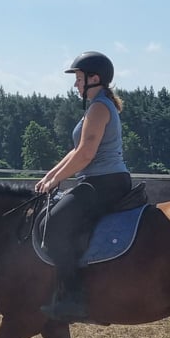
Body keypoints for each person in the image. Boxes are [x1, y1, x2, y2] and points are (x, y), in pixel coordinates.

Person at [35, 51, 132, 321]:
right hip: (99, 181)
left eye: (79, 78)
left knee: (52, 226)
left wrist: (56, 180)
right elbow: (76, 150)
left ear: (94, 78)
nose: (76, 84)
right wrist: (50, 176)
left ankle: (74, 298)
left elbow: (87, 153)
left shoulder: (100, 108)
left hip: (104, 182)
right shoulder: (95, 106)